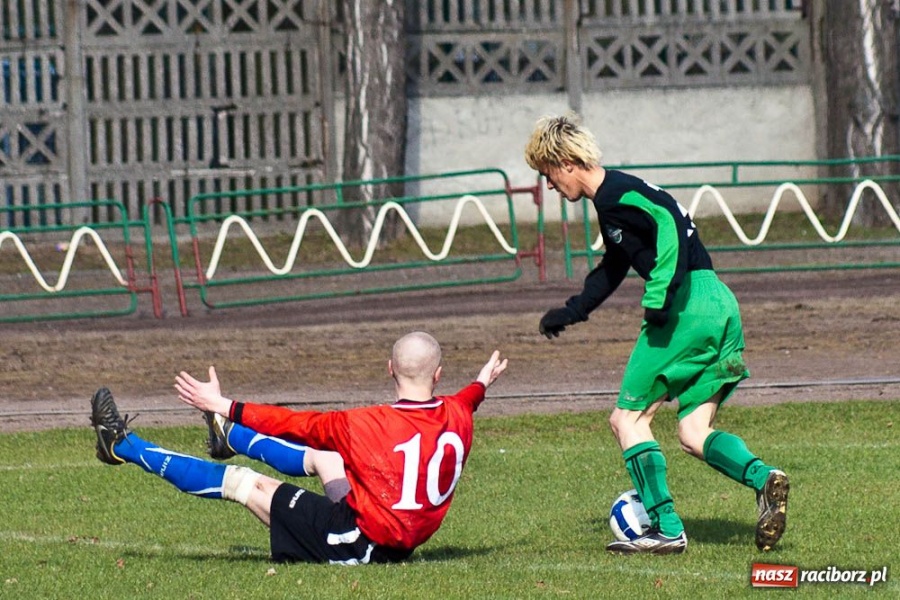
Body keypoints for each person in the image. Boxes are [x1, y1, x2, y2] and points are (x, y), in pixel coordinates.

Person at [524, 113, 789, 555]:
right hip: (717, 302)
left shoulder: (616, 193)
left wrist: (661, 291)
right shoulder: (613, 203)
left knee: (627, 419)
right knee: (692, 430)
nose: (549, 185)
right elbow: (613, 267)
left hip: (684, 303)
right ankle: (765, 480)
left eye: (547, 173)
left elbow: (667, 220)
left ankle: (666, 527)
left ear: (566, 162)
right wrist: (572, 310)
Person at [89, 331, 508, 564]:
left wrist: (225, 404)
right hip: (390, 529)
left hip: (360, 543)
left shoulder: (362, 425)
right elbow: (468, 397)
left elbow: (291, 423)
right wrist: (482, 382)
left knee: (244, 483)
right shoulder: (458, 413)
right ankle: (227, 435)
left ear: (389, 369)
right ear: (438, 375)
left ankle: (121, 445)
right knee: (327, 458)